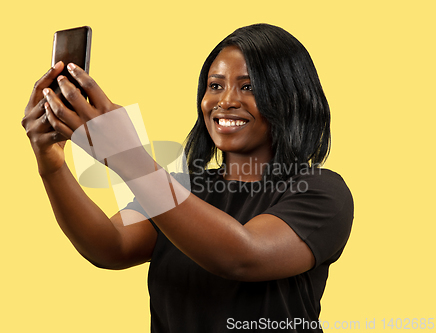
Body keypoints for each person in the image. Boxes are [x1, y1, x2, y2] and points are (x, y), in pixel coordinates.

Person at [21, 23, 353, 332]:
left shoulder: (321, 191)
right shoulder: (184, 187)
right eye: (215, 86)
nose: (225, 101)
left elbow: (244, 257)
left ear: (289, 97)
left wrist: (127, 156)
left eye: (248, 87)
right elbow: (112, 246)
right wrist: (51, 164)